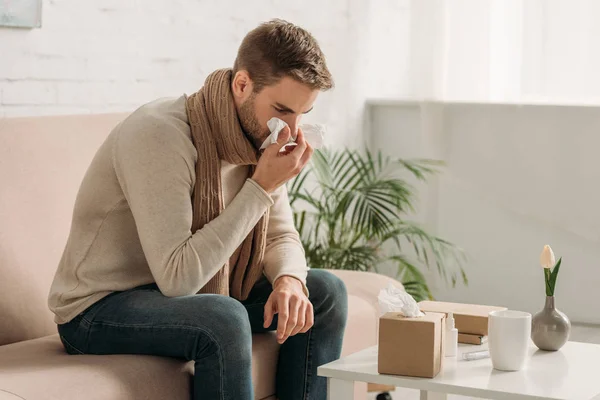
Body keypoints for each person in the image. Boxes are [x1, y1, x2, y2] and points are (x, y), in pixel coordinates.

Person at [47, 18, 348, 400]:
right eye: (282, 110)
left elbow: (279, 234)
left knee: (323, 291)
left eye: (302, 114)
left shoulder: (258, 137)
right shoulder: (161, 135)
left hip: (186, 290)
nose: (290, 129)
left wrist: (289, 279)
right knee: (223, 319)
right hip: (99, 308)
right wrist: (261, 187)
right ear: (242, 85)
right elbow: (178, 278)